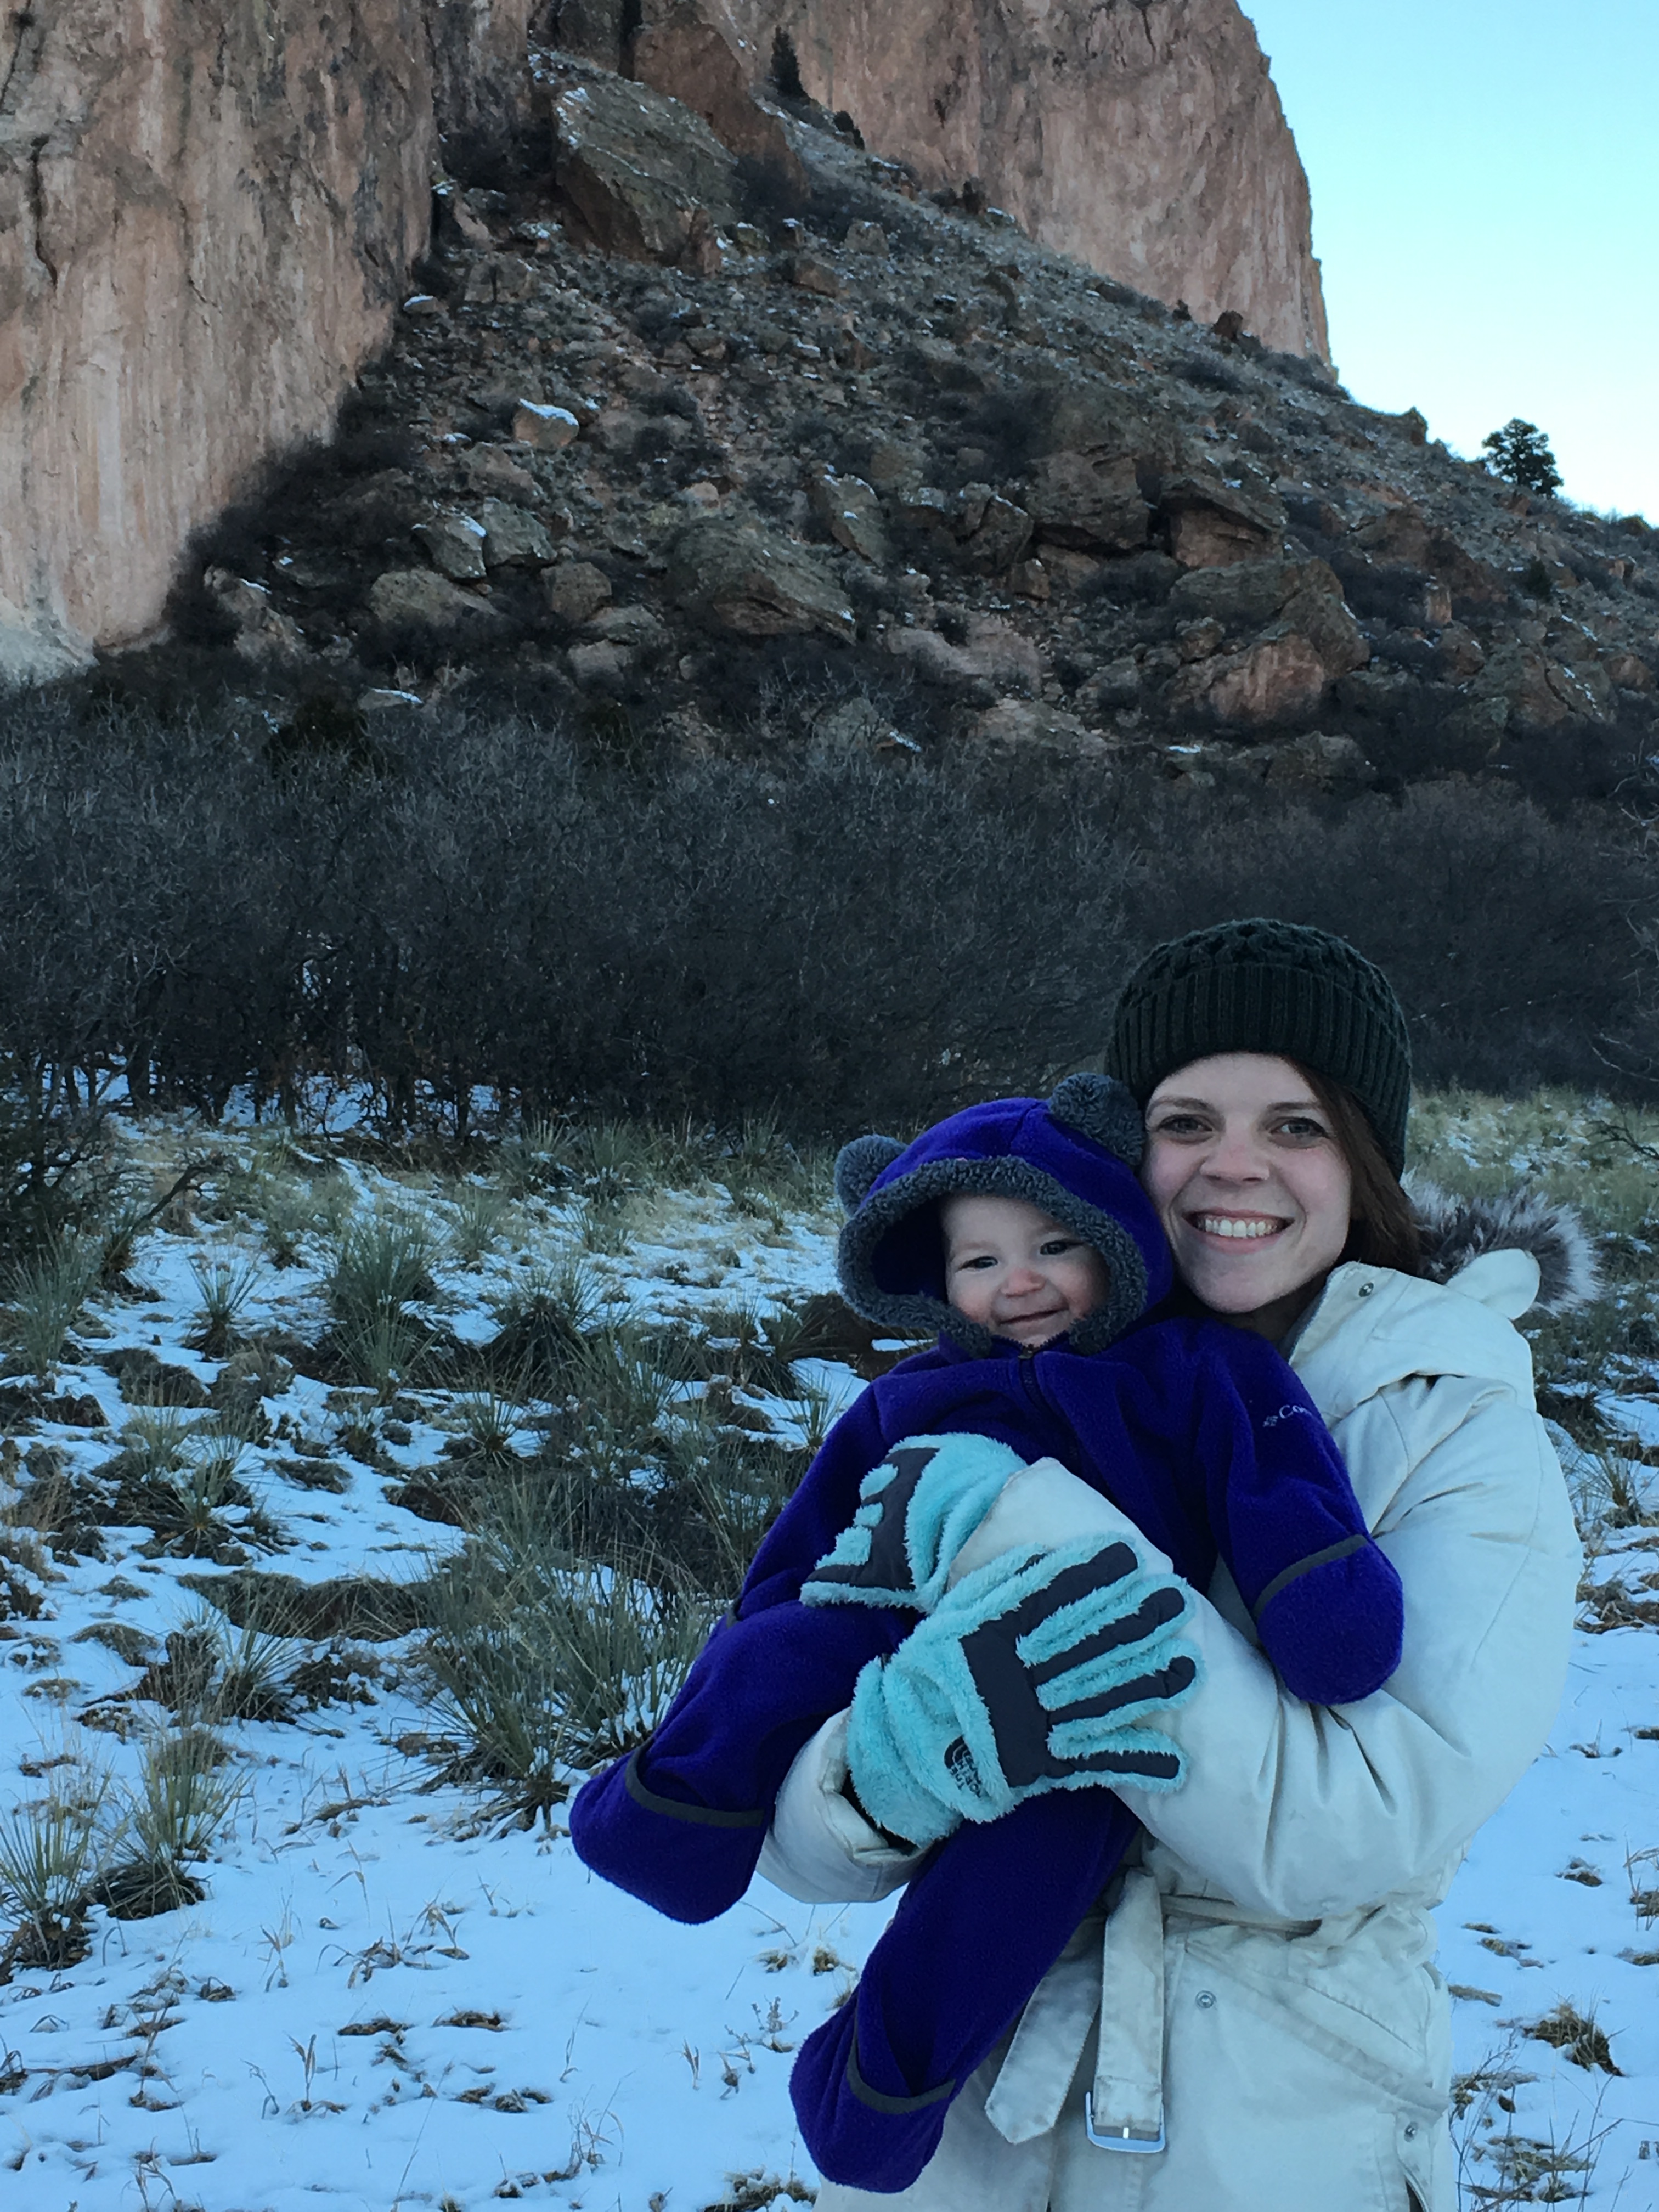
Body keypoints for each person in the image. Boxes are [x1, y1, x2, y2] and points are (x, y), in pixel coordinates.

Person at [763, 918, 1587, 2212]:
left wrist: (1039, 1555)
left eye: (1297, 1126)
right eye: (1186, 1120)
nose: (1232, 1168)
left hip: (1279, 2127)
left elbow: (1356, 1828)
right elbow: (795, 1830)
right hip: (977, 2125)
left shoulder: (1456, 1422)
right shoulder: (991, 1392)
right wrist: (882, 1777)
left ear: (1363, 1161)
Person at [571, 1069, 1404, 2190]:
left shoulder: (1189, 1366)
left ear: (1114, 1233)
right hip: (887, 1610)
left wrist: (1321, 1600)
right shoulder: (903, 1401)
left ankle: (877, 2086)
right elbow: (803, 1548)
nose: (1021, 1284)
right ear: (932, 1281)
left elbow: (1273, 1471)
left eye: (1055, 1244)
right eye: (979, 1262)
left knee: (1012, 1898)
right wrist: (769, 1628)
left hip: (1078, 1703)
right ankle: (669, 1815)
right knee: (775, 1655)